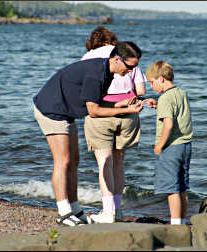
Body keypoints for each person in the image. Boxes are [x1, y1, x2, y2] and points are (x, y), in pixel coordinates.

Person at [33, 41, 143, 226]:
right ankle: (63, 212)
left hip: (66, 112)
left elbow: (98, 104)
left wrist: (122, 104)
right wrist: (128, 112)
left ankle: (75, 208)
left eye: (135, 67)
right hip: (51, 109)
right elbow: (94, 112)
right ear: (117, 59)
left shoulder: (108, 72)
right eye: (130, 66)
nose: (132, 71)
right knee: (63, 161)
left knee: (74, 160)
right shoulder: (96, 75)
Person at [81, 26, 146, 223]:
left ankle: (107, 212)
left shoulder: (88, 57)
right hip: (128, 112)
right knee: (119, 163)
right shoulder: (126, 55)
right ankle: (118, 211)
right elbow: (141, 90)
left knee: (104, 161)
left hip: (101, 112)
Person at [144, 61, 193, 225]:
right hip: (185, 145)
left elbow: (169, 124)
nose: (151, 86)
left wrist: (159, 145)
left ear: (162, 79)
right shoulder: (180, 93)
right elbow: (176, 114)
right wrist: (158, 106)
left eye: (152, 82)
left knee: (172, 189)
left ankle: (175, 224)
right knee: (182, 187)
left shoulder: (165, 98)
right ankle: (183, 221)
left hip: (170, 147)